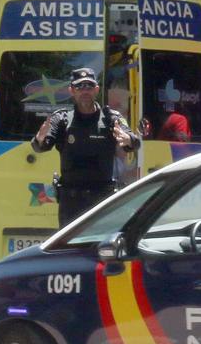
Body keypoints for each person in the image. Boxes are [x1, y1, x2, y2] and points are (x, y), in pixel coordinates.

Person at [31, 67, 141, 228]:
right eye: (79, 87)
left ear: (96, 89)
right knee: (69, 251)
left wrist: (128, 140)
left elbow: (133, 141)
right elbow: (42, 146)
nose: (85, 91)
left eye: (89, 86)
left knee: (100, 250)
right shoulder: (61, 119)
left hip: (102, 201)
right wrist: (39, 139)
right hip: (71, 202)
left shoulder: (111, 118)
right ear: (71, 90)